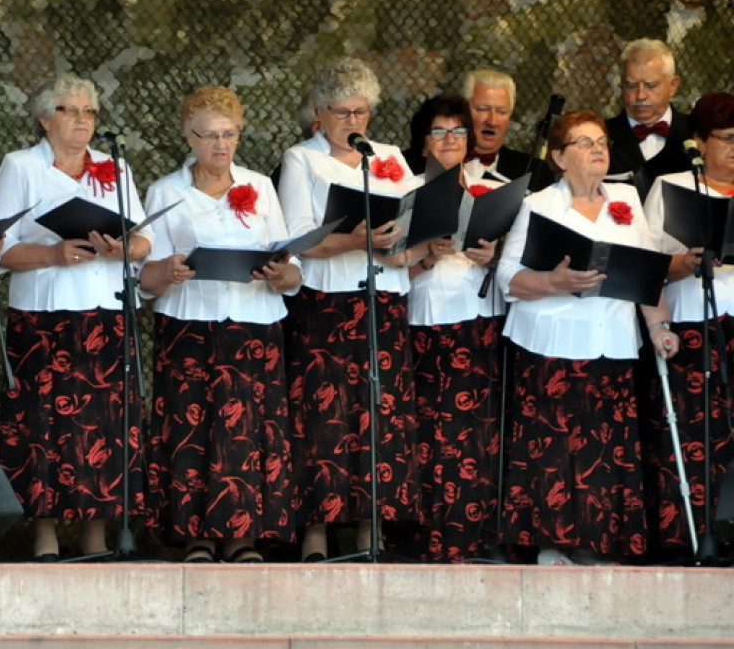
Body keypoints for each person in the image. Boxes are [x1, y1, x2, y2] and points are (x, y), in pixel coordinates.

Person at [495, 109, 679, 566]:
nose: (598, 148)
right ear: (558, 156)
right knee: (554, 449)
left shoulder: (626, 200)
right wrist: (557, 282)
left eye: (601, 141)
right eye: (583, 142)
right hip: (551, 346)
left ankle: (598, 544)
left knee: (605, 449)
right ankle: (553, 546)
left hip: (611, 344)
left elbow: (647, 272)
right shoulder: (540, 204)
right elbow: (508, 279)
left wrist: (659, 328)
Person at [0, 74, 151, 561]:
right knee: (42, 427)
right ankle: (44, 535)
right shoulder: (21, 166)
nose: (82, 120)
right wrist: (53, 254)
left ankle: (97, 535)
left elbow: (144, 242)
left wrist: (124, 246)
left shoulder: (114, 168)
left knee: (102, 426)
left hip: (105, 312)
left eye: (89, 112)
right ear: (44, 119)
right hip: (44, 316)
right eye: (69, 110)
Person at [139, 85, 301, 563]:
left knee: (249, 431)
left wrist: (282, 273)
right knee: (192, 429)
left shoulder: (260, 186)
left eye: (228, 134)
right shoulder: (166, 191)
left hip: (253, 325)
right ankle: (197, 537)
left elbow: (289, 264)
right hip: (190, 325)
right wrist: (167, 270)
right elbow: (144, 274)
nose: (220, 145)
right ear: (188, 136)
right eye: (209, 135)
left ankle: (243, 538)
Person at [278, 57, 421, 561]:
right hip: (326, 304)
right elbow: (297, 237)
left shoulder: (389, 158)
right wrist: (353, 239)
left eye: (361, 112)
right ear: (320, 112)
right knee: (324, 421)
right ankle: (316, 537)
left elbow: (410, 219)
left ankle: (370, 533)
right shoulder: (301, 159)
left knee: (377, 417)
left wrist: (415, 243)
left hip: (383, 301)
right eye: (342, 112)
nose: (353, 122)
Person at [402, 94, 506, 562]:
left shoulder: (493, 186)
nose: (451, 141)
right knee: (431, 435)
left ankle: (478, 537)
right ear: (422, 142)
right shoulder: (402, 191)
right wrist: (426, 255)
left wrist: (495, 254)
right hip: (424, 323)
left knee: (479, 432)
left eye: (459, 132)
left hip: (481, 321)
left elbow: (519, 262)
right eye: (440, 132)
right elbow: (380, 273)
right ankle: (432, 540)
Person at [642, 91, 734, 556]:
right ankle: (692, 536)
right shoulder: (673, 186)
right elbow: (650, 264)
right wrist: (686, 262)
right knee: (699, 434)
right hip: (696, 323)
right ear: (700, 141)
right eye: (727, 139)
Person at [605, 39, 692, 201]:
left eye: (651, 85)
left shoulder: (696, 132)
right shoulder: (601, 137)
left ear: (673, 85)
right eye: (631, 85)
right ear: (621, 85)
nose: (640, 95)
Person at [462, 69, 552, 191]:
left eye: (501, 112)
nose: (492, 121)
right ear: (463, 112)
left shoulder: (535, 172)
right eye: (483, 109)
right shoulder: (437, 163)